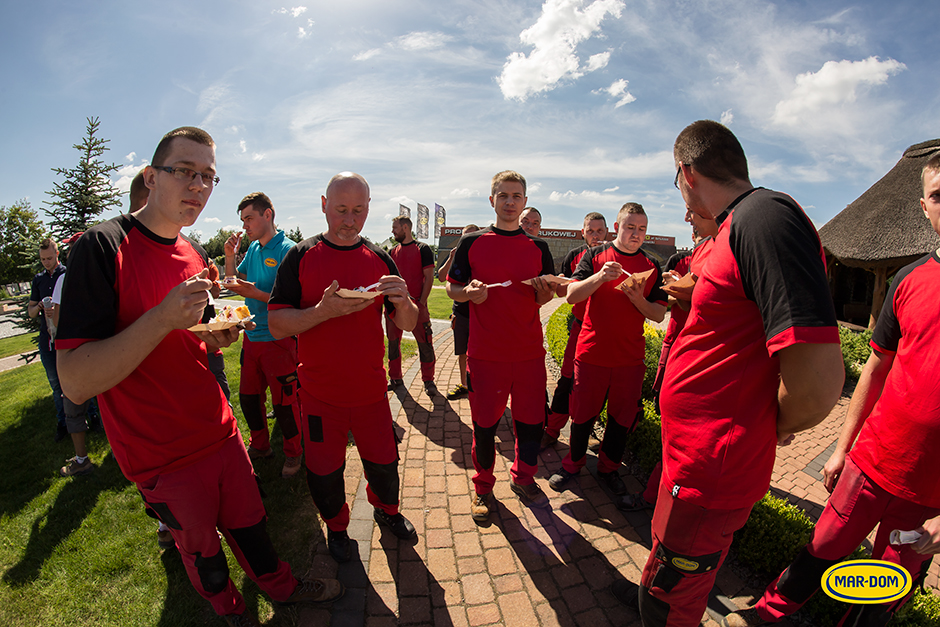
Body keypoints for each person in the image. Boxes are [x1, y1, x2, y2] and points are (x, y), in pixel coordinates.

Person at [55, 126, 343, 627]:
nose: (199, 186)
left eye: (208, 176)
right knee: (205, 556)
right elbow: (76, 381)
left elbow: (184, 334)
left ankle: (283, 587)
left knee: (253, 528)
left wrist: (210, 336)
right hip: (158, 452)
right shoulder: (102, 247)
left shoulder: (190, 252)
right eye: (185, 171)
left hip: (218, 430)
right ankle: (231, 612)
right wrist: (163, 318)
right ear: (151, 176)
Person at [612, 120, 844, 626]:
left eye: (677, 185)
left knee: (668, 601)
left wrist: (769, 426)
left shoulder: (766, 218)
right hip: (690, 456)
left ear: (686, 173)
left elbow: (820, 382)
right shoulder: (731, 229)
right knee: (668, 566)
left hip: (711, 464)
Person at [721, 153, 940, 627]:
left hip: (929, 492)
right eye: (939, 195)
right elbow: (876, 370)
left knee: (885, 589)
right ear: (924, 206)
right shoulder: (907, 280)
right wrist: (841, 448)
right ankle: (764, 617)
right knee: (820, 549)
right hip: (872, 461)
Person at [268, 172, 419, 564]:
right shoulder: (300, 256)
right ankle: (338, 529)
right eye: (340, 210)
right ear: (323, 205)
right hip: (319, 396)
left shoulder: (380, 258)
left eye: (358, 211)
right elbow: (277, 323)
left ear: (368, 209)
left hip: (371, 393)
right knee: (324, 474)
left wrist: (404, 303)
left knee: (385, 466)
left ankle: (387, 513)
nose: (349, 220)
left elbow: (407, 322)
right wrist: (321, 312)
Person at [446, 170, 556, 522]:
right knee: (485, 427)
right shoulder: (473, 242)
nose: (510, 202)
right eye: (503, 196)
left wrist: (543, 291)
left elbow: (544, 296)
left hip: (528, 355)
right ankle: (483, 487)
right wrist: (468, 294)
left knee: (529, 425)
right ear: (491, 199)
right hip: (485, 355)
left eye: (516, 196)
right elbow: (452, 287)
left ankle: (523, 478)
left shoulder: (538, 247)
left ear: (524, 202)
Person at [548, 203, 667, 497]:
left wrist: (638, 298)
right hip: (592, 354)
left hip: (629, 358)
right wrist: (600, 277)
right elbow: (571, 295)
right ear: (617, 227)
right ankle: (572, 464)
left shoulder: (652, 264)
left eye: (642, 229)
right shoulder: (594, 256)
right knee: (582, 415)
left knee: (620, 420)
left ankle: (609, 469)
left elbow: (658, 314)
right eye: (630, 227)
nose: (636, 233)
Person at [618, 210, 718, 513]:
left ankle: (665, 498)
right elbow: (665, 303)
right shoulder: (685, 258)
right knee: (670, 422)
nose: (689, 219)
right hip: (679, 346)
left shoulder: (729, 252)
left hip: (707, 359)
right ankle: (658, 495)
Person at [224, 192, 303, 479]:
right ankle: (260, 446)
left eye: (249, 218)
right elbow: (234, 282)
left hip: (279, 339)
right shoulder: (255, 249)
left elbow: (294, 300)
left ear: (267, 215)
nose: (244, 225)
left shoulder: (288, 250)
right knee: (248, 398)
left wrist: (254, 293)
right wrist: (230, 257)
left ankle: (294, 454)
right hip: (252, 338)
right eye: (242, 219)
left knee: (284, 403)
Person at [542, 211, 609, 449]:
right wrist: (558, 283)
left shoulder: (615, 258)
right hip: (580, 327)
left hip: (606, 332)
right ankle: (552, 430)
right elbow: (562, 294)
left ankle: (586, 432)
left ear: (607, 232)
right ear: (583, 232)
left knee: (593, 387)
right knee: (567, 381)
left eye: (599, 230)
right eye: (590, 231)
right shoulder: (574, 256)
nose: (595, 235)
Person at [386, 215, 437, 396]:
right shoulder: (392, 252)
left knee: (425, 344)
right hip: (394, 307)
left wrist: (421, 303)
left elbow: (429, 278)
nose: (392, 231)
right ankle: (395, 378)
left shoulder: (422, 249)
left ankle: (428, 380)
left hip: (417, 306)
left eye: (395, 227)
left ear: (405, 228)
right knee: (393, 343)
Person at [27, 238, 68, 441]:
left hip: (68, 336)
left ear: (57, 254)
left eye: (49, 258)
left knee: (76, 380)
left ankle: (92, 416)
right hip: (47, 339)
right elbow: (31, 312)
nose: (46, 262)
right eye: (43, 259)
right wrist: (40, 308)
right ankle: (63, 423)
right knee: (55, 384)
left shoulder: (67, 274)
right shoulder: (39, 279)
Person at [437, 224, 480, 400]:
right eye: (464, 237)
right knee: (462, 351)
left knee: (481, 353)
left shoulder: (482, 257)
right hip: (461, 312)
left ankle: (481, 387)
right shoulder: (457, 257)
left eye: (471, 237)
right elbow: (440, 277)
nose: (467, 241)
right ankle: (464, 385)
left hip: (481, 313)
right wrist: (451, 258)